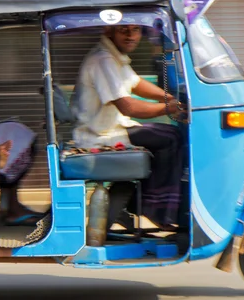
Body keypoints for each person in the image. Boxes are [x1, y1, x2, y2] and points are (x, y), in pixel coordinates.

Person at [70, 24, 184, 231]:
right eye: (124, 30)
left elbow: (136, 82)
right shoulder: (103, 60)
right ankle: (153, 210)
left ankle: (140, 203)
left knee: (167, 135)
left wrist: (169, 98)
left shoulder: (114, 57)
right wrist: (169, 108)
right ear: (108, 31)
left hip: (111, 128)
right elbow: (128, 106)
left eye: (136, 30)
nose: (131, 36)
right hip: (99, 135)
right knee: (171, 139)